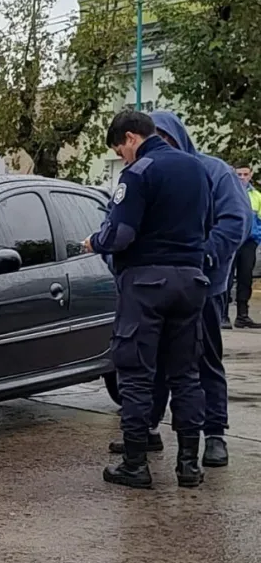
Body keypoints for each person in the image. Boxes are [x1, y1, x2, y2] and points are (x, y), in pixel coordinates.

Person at [107, 112, 251, 468]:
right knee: (157, 364)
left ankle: (214, 433)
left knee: (202, 362)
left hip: (200, 283)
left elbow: (236, 221)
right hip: (178, 281)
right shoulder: (156, 170)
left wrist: (203, 257)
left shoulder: (209, 170)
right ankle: (153, 433)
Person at [84, 111, 212, 489]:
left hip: (147, 283)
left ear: (131, 137)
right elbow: (204, 226)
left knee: (137, 374)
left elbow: (122, 233)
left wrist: (97, 242)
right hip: (191, 282)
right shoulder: (197, 170)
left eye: (119, 149)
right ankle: (189, 465)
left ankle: (135, 465)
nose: (123, 157)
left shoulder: (139, 173)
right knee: (187, 374)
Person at [225, 164, 261, 329]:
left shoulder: (256, 196)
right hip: (231, 241)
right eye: (238, 174)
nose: (242, 178)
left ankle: (242, 315)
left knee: (245, 278)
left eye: (245, 174)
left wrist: (256, 238)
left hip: (249, 242)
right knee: (226, 278)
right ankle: (223, 314)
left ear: (250, 175)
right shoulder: (227, 192)